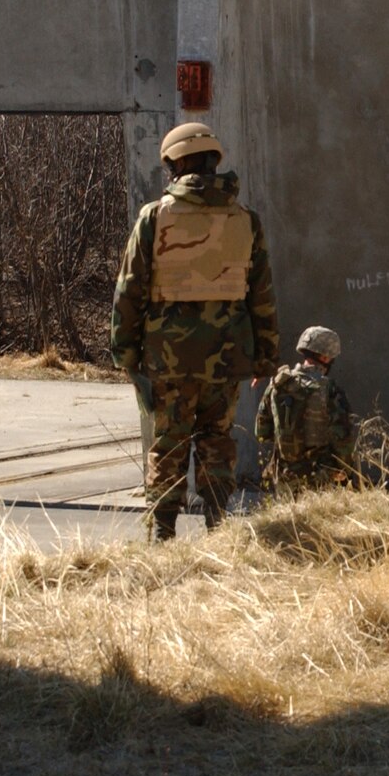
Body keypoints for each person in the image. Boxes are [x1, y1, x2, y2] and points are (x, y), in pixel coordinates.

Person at [110, 121, 280, 540]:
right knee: (216, 439)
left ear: (175, 164)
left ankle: (164, 534)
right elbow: (261, 294)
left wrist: (125, 353)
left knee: (169, 441)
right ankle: (218, 526)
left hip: (167, 356)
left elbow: (129, 289)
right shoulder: (246, 220)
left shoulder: (155, 216)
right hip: (226, 355)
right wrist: (265, 356)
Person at [257, 326, 358, 492]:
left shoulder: (278, 384)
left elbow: (262, 432)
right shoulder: (330, 389)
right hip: (321, 478)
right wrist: (345, 470)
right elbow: (343, 439)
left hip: (284, 477)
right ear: (326, 357)